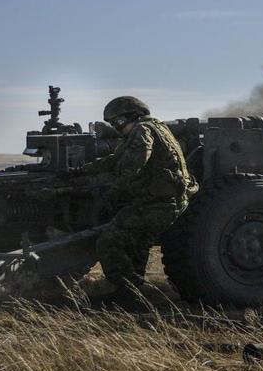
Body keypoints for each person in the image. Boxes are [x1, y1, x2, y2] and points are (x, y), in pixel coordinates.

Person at [75, 96, 196, 307]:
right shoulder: (157, 127)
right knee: (135, 246)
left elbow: (132, 165)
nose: (116, 128)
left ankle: (135, 292)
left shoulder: (142, 131)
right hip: (166, 201)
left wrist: (113, 191)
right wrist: (82, 171)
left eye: (118, 122)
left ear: (133, 116)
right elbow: (116, 160)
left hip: (159, 203)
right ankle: (132, 297)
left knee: (109, 241)